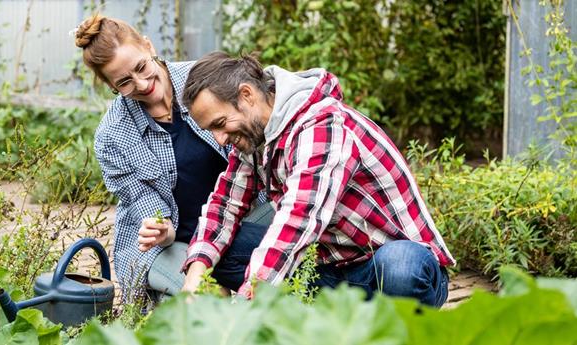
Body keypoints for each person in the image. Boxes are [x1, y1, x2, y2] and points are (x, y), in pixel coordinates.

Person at [180, 51, 456, 307]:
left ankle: (389, 327)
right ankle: (322, 323)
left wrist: (244, 309)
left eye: (219, 123)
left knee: (401, 267)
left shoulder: (322, 125)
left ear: (247, 95)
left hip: (382, 270)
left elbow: (299, 218)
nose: (219, 139)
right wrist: (193, 283)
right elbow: (223, 207)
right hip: (331, 270)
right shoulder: (255, 136)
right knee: (224, 250)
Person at [73, 16, 272, 301]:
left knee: (273, 280)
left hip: (238, 218)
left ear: (148, 45)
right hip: (170, 245)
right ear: (111, 86)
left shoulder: (205, 82)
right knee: (211, 298)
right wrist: (161, 230)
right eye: (125, 82)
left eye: (141, 67)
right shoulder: (112, 135)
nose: (141, 84)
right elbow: (147, 207)